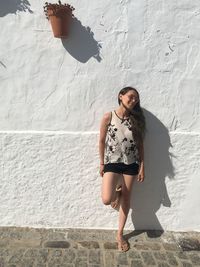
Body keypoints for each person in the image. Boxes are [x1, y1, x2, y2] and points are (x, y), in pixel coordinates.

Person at [99, 86, 146, 252]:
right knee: (106, 199)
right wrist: (102, 163)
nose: (133, 101)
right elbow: (101, 141)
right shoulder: (108, 116)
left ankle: (120, 234)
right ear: (121, 96)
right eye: (131, 97)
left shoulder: (136, 120)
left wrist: (142, 166)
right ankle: (116, 192)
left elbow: (140, 145)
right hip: (112, 161)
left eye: (136, 99)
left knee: (127, 198)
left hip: (131, 163)